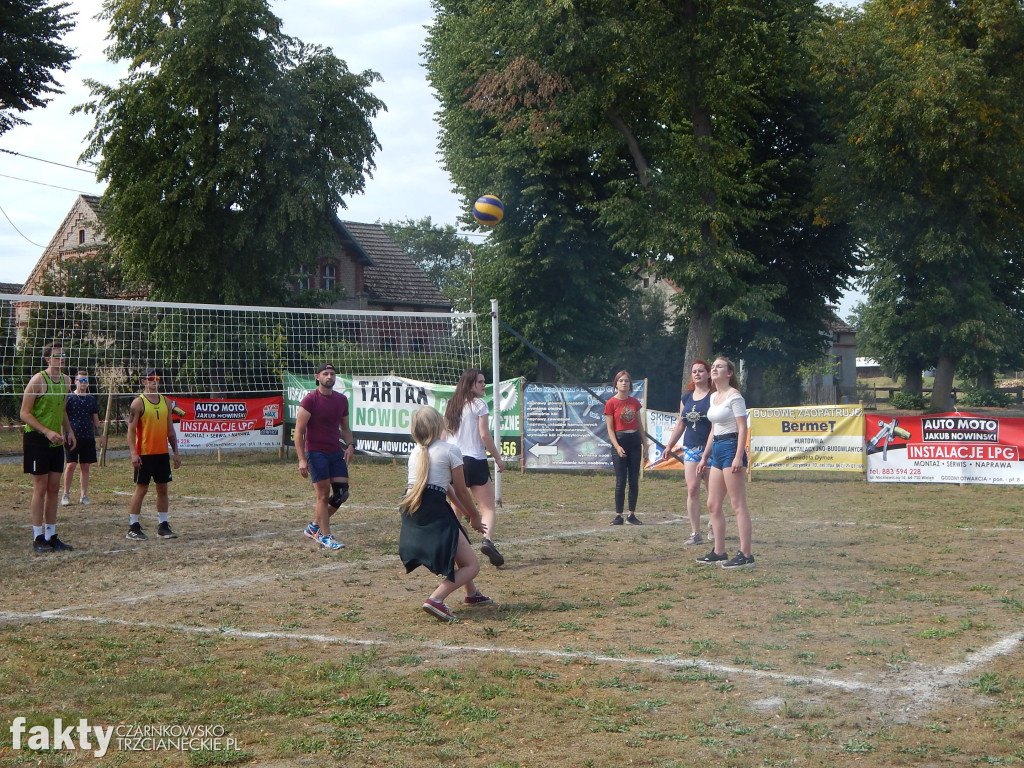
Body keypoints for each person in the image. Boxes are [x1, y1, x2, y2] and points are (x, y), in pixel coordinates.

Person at [400, 406, 490, 622]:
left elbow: (446, 488)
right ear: (439, 424)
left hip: (412, 505)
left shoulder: (416, 452)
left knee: (460, 540)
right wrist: (475, 515)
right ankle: (435, 600)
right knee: (472, 566)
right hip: (433, 506)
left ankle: (471, 594)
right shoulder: (450, 450)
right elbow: (460, 489)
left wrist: (467, 515)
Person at [695, 357, 754, 569]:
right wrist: (704, 456)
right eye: (713, 366)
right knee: (713, 503)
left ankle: (746, 555)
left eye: (719, 366)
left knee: (738, 505)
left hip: (731, 447)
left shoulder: (734, 396)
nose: (714, 368)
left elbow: (742, 428)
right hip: (717, 449)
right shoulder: (713, 397)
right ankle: (719, 551)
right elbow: (713, 430)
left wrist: (739, 455)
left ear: (729, 373)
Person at [443, 369, 506, 566]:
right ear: (469, 384)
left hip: (453, 459)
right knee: (487, 507)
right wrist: (498, 458)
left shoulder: (451, 404)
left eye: (484, 381)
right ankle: (487, 541)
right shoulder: (479, 404)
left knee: (457, 506)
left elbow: (444, 435)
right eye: (479, 381)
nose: (483, 385)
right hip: (474, 459)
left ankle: (450, 542)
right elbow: (484, 435)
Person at [21, 342, 76, 552]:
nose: (62, 358)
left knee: (54, 488)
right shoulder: (38, 380)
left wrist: (68, 431)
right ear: (47, 359)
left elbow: (62, 409)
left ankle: (51, 535)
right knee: (40, 488)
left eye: (64, 355)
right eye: (57, 355)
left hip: (55, 440)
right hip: (37, 439)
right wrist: (46, 431)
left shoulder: (66, 381)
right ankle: (37, 537)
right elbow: (24, 414)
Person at [295, 363, 355, 551]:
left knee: (341, 493)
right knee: (322, 496)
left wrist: (350, 445)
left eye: (332, 374)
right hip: (316, 452)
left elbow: (345, 428)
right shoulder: (310, 400)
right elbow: (299, 432)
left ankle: (314, 526)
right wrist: (302, 458)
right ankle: (325, 536)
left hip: (335, 452)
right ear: (317, 377)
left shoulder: (341, 400)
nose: (330, 377)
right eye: (325, 374)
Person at [126, 368, 181, 541]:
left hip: (162, 453)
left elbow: (171, 431)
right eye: (150, 378)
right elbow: (131, 430)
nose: (154, 381)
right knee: (141, 489)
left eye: (156, 378)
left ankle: (163, 525)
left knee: (163, 488)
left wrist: (176, 453)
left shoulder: (165, 401)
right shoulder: (138, 403)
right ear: (143, 382)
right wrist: (134, 453)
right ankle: (133, 526)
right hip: (145, 453)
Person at [664, 360, 713, 545]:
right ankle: (695, 532)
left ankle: (713, 524)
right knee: (692, 489)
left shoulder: (714, 396)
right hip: (691, 448)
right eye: (694, 371)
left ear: (708, 374)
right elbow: (680, 424)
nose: (698, 374)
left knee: (711, 493)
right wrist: (670, 445)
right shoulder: (686, 398)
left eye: (701, 371)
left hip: (710, 448)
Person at [604, 369, 646, 525]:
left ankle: (631, 514)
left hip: (634, 440)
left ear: (630, 384)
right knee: (621, 480)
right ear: (616, 384)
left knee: (633, 480)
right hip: (619, 440)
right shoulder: (611, 403)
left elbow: (640, 425)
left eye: (626, 381)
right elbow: (609, 428)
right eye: (621, 380)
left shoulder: (634, 402)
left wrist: (645, 443)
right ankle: (618, 515)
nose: (623, 383)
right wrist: (617, 446)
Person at [62, 369, 105, 506]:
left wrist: (101, 435)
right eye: (81, 380)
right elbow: (64, 417)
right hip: (72, 436)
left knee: (85, 466)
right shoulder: (69, 397)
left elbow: (95, 419)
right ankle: (66, 494)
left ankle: (83, 495)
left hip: (87, 436)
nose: (83, 383)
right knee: (71, 465)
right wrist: (64, 434)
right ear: (75, 382)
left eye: (85, 380)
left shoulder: (91, 399)